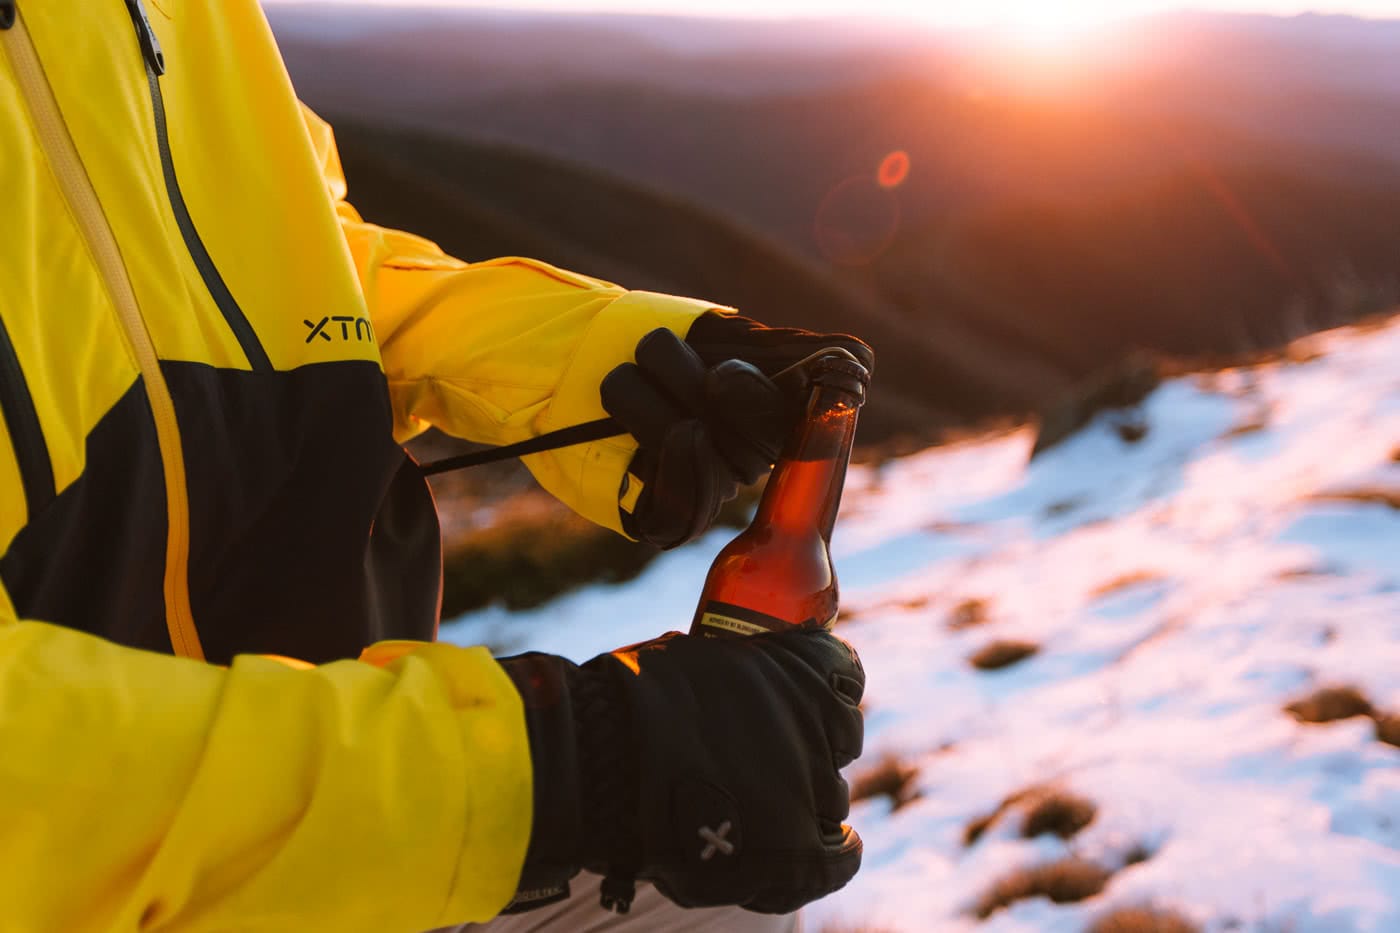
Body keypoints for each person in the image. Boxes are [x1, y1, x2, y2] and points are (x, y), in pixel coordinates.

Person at [0, 1, 873, 930]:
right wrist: (552, 765)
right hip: (128, 878)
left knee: (720, 901)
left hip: (344, 803)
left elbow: (304, 253)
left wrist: (606, 365)